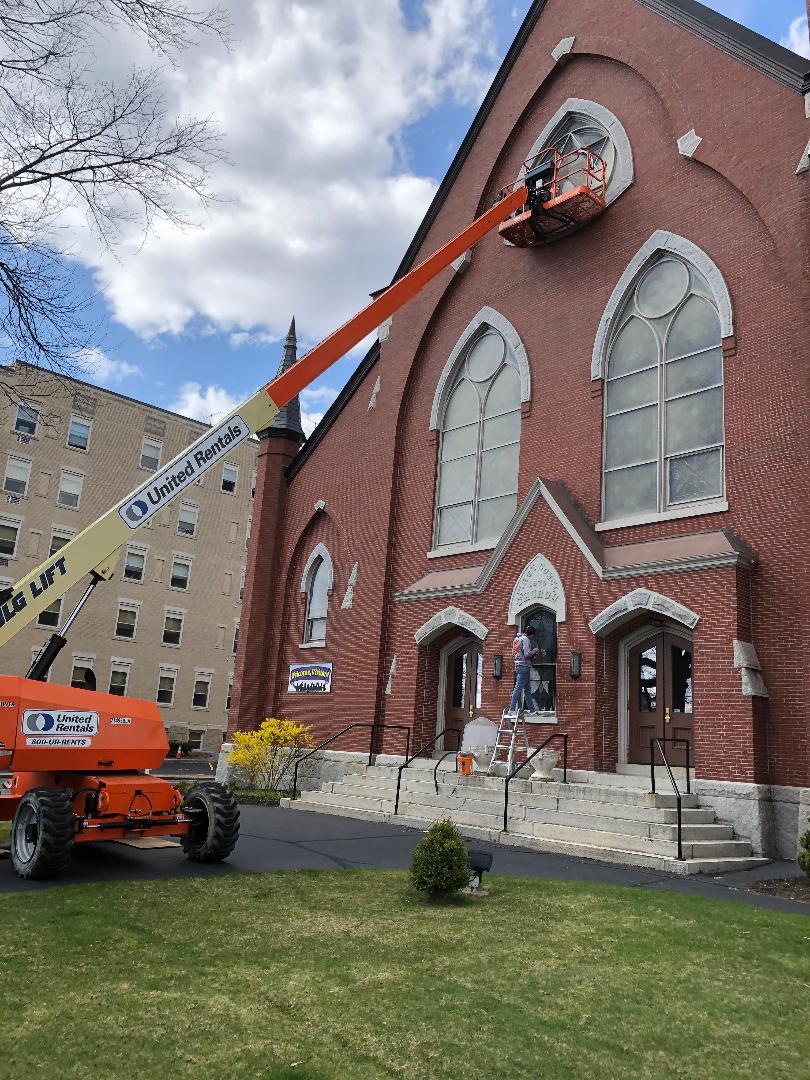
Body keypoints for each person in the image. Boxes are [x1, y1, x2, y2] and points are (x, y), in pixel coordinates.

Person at [509, 625, 538, 714]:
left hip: (519, 665)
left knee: (527, 689)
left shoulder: (516, 639)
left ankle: (532, 710)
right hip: (524, 666)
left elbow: (514, 654)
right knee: (518, 688)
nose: (532, 637)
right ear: (531, 634)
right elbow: (526, 654)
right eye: (533, 635)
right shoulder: (525, 639)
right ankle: (511, 709)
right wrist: (535, 650)